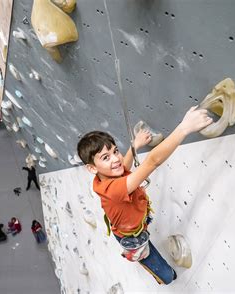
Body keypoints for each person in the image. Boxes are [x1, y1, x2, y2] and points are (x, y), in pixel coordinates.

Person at [76, 106, 212, 285]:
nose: (116, 159)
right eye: (105, 157)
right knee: (161, 269)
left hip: (135, 220)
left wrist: (134, 146)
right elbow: (152, 161)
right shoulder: (114, 190)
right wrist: (184, 128)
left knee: (121, 170)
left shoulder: (106, 176)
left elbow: (123, 167)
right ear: (92, 168)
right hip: (132, 237)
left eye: (115, 151)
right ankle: (161, 275)